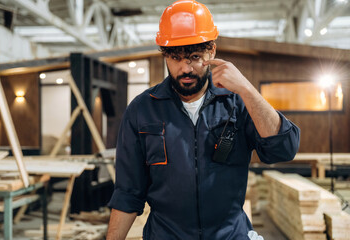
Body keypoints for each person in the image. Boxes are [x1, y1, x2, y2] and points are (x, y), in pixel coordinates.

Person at [106, 0, 300, 239]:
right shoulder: (142, 110)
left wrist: (248, 90)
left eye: (195, 56)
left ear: (212, 51)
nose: (185, 69)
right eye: (175, 58)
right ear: (165, 56)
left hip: (230, 234)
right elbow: (128, 193)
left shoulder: (237, 103)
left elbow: (283, 149)